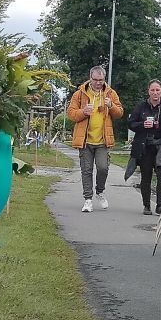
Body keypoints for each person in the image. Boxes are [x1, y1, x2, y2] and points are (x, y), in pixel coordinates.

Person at [67, 65, 124, 213]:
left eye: (101, 80)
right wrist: (83, 112)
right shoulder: (80, 94)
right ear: (90, 78)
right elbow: (71, 114)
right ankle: (88, 199)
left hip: (103, 140)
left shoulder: (110, 93)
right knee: (86, 170)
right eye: (95, 80)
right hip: (85, 140)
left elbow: (119, 113)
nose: (98, 82)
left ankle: (100, 191)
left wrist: (111, 106)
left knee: (103, 168)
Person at [128, 79, 161, 215]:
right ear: (148, 92)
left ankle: (159, 205)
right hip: (145, 147)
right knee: (146, 177)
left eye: (157, 90)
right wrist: (142, 125)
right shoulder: (141, 107)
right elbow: (131, 123)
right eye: (152, 90)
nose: (155, 93)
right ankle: (146, 205)